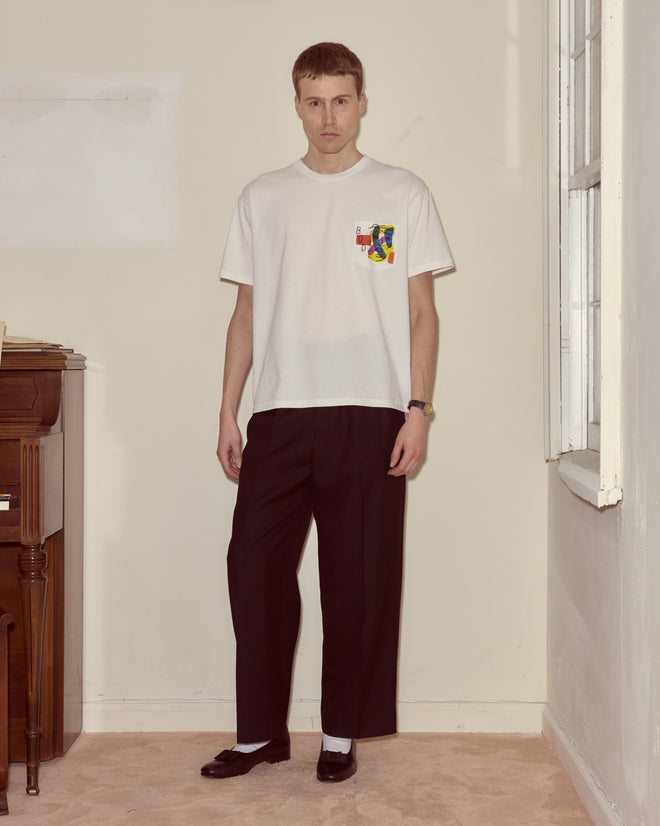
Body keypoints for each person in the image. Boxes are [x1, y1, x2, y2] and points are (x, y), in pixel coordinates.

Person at [201, 42, 453, 783]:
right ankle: (260, 733)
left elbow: (422, 314)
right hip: (281, 411)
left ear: (363, 100)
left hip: (371, 413)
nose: (328, 117)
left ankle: (341, 730)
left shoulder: (401, 193)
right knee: (254, 567)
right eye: (314, 101)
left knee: (359, 577)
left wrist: (418, 411)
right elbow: (245, 313)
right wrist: (227, 411)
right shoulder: (263, 197)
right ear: (296, 105)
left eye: (341, 99)